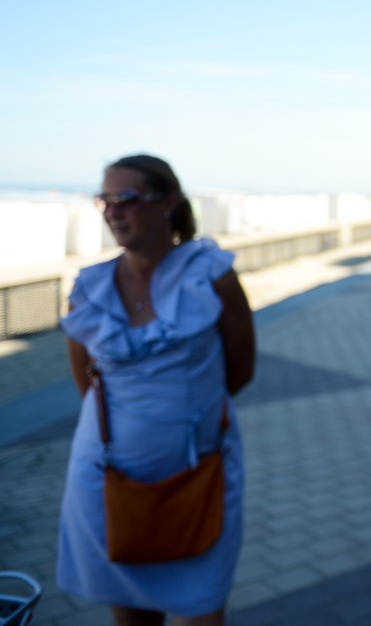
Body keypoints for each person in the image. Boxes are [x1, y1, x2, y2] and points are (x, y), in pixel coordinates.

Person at [58, 154, 256, 625]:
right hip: (108, 484)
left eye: (125, 199)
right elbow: (86, 384)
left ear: (167, 203)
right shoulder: (90, 289)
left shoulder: (212, 275)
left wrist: (180, 412)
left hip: (199, 481)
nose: (112, 211)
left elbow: (240, 370)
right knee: (131, 618)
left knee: (203, 611)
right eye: (104, 200)